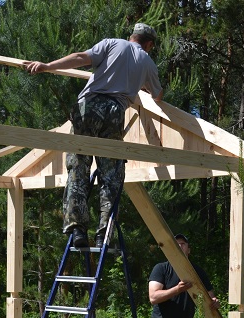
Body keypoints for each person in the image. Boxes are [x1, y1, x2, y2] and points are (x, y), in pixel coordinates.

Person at [24, 23, 163, 248]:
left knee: (78, 167)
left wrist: (47, 66)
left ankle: (77, 229)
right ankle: (104, 234)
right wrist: (140, 84)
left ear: (131, 36)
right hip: (114, 113)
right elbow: (157, 96)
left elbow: (80, 57)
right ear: (148, 44)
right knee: (111, 174)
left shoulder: (111, 43)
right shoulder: (147, 62)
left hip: (88, 107)